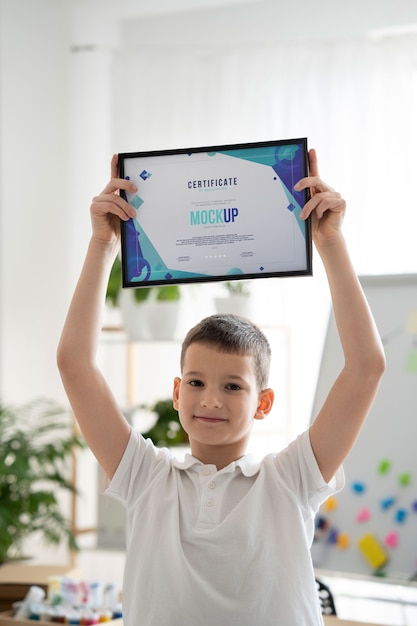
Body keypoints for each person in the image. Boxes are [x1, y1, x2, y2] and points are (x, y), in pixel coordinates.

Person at [57, 149, 385, 626]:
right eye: (196, 382)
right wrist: (103, 245)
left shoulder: (290, 479)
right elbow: (74, 364)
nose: (210, 399)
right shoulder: (146, 478)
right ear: (176, 392)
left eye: (233, 386)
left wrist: (330, 242)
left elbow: (366, 367)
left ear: (263, 403)